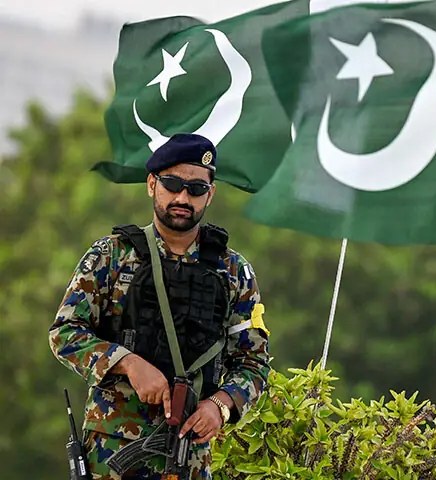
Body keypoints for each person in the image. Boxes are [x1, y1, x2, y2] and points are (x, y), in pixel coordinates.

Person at [48, 133, 271, 479]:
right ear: (152, 184)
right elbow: (64, 334)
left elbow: (253, 363)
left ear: (210, 195)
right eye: (172, 184)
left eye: (196, 189)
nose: (183, 197)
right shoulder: (112, 256)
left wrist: (220, 406)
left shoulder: (233, 271)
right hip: (113, 451)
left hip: (189, 458)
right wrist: (129, 364)